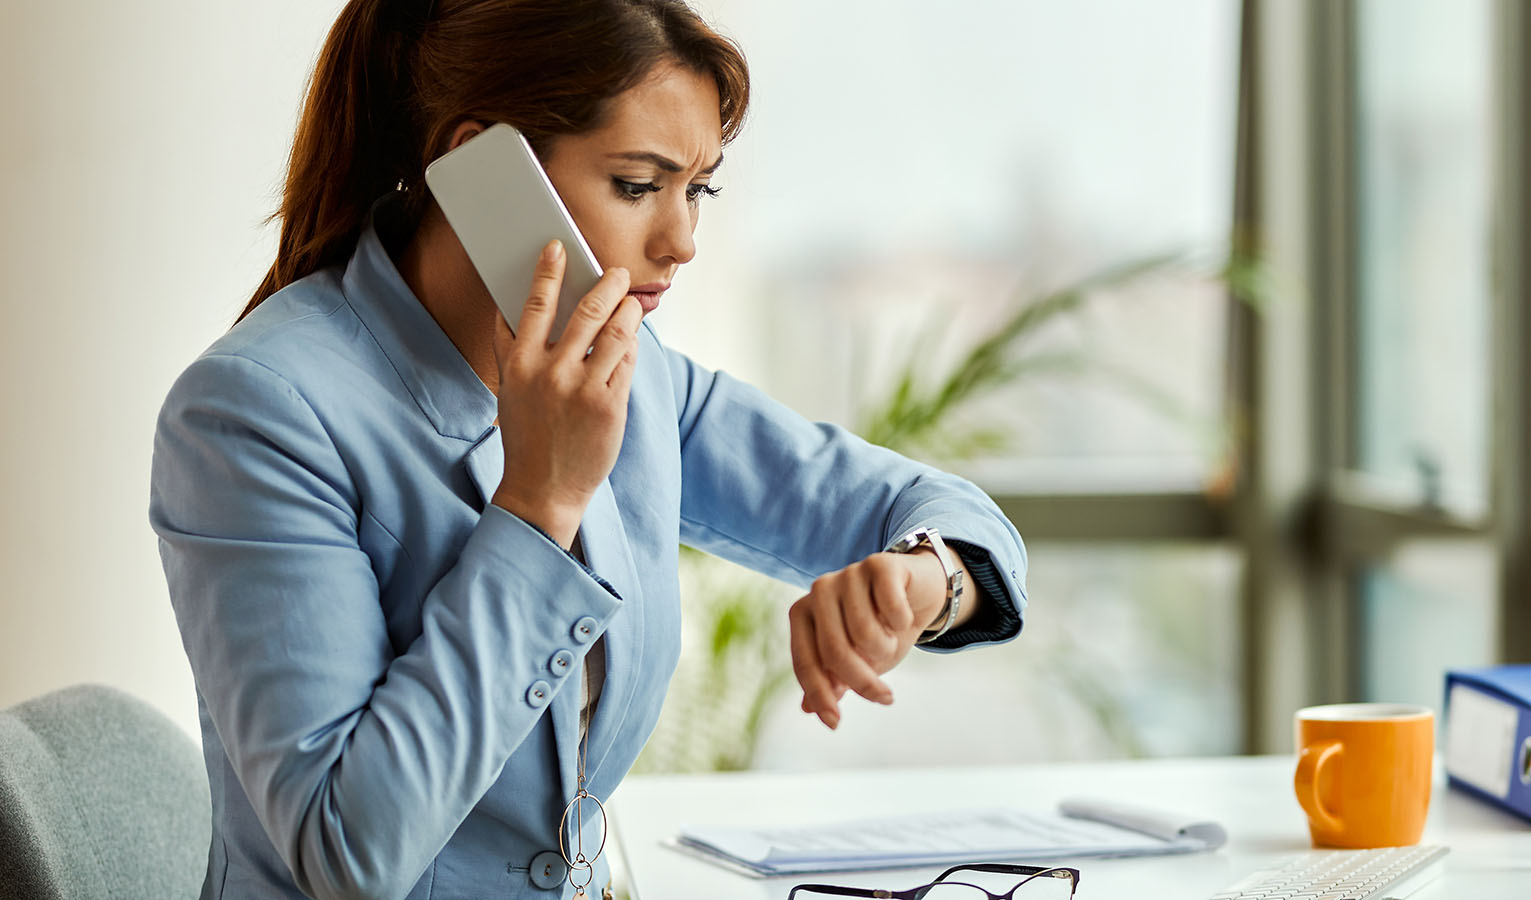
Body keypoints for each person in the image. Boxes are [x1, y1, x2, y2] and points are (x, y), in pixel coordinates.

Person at [147, 2, 1027, 898]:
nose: (681, 242)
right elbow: (349, 852)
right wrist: (540, 504)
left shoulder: (636, 378)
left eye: (700, 189)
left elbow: (923, 505)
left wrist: (927, 580)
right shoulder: (257, 414)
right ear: (478, 167)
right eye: (640, 186)